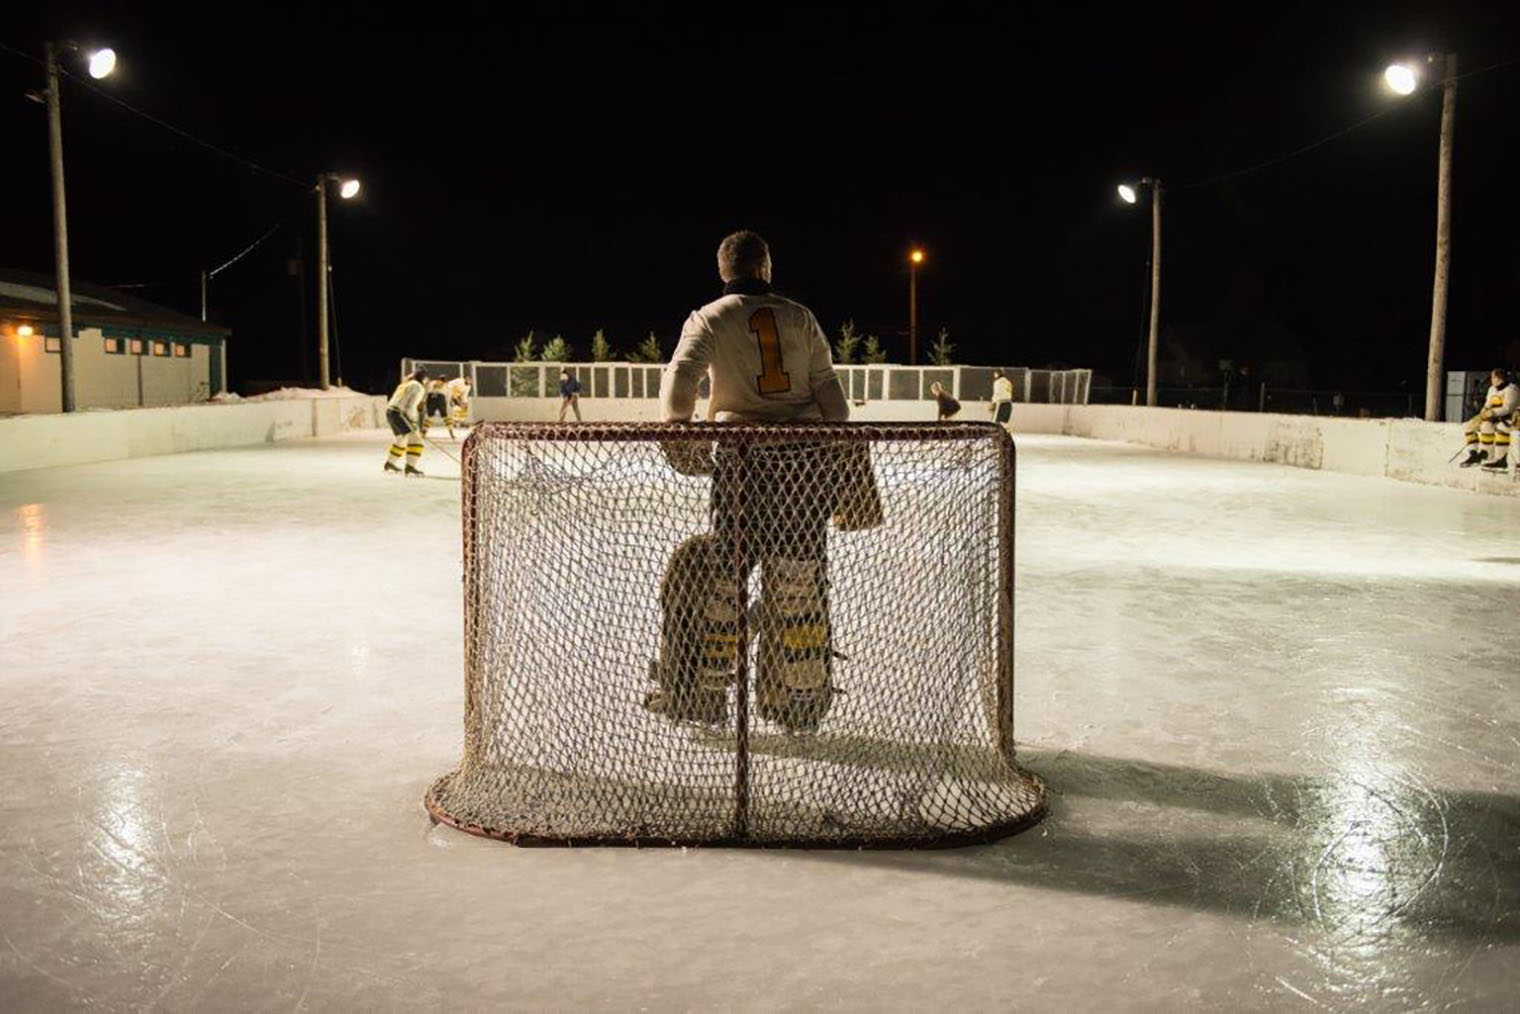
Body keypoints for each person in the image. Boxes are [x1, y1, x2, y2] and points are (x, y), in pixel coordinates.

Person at [650, 229, 851, 732]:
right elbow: (829, 389)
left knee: (725, 581)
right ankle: (801, 702)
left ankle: (707, 695)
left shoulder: (711, 317)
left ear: (725, 271)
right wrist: (843, 450)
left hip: (743, 467)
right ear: (766, 268)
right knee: (800, 583)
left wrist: (679, 430)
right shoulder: (800, 317)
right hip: (804, 468)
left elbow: (681, 380)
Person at [1459, 368, 1519, 470]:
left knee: (1502, 429)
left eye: (1493, 377)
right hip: (1492, 418)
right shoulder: (1492, 389)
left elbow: (1508, 408)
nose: (1491, 379)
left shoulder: (1512, 390)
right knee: (1476, 426)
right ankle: (1479, 453)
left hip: (1509, 419)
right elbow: (1488, 404)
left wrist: (1492, 413)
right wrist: (1483, 412)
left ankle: (1501, 459)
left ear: (1499, 378)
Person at [383, 367, 427, 476]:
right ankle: (410, 466)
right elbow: (410, 405)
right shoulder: (418, 387)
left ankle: (390, 463)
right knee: (417, 440)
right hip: (399, 413)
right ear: (423, 378)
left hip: (390, 411)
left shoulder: (405, 384)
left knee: (402, 439)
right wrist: (414, 422)